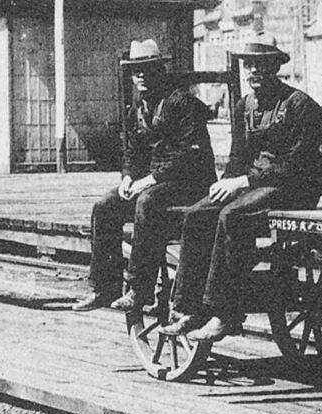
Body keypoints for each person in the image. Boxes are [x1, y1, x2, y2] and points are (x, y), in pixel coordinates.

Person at [163, 38, 322, 342]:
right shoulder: (244, 106)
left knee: (233, 216)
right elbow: (239, 156)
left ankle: (225, 313)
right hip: (257, 183)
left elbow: (298, 165)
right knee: (199, 213)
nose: (253, 71)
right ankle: (188, 308)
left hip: (296, 187)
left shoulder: (300, 105)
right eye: (248, 65)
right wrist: (225, 181)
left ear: (275, 67)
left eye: (261, 65)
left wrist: (243, 182)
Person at [72, 40, 215, 312]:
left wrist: (149, 180)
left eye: (147, 70)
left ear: (160, 70)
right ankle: (104, 287)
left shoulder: (182, 103)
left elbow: (189, 154)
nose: (140, 77)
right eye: (136, 71)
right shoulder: (137, 108)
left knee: (147, 203)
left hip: (191, 184)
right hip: (153, 183)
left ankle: (140, 288)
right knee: (105, 207)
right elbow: (131, 151)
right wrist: (127, 177)